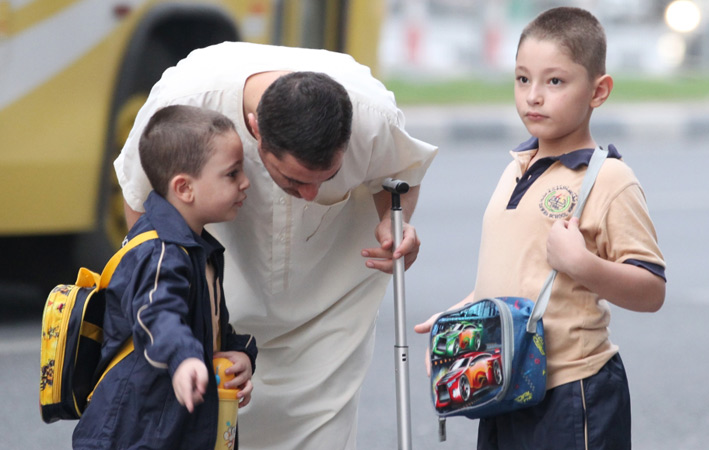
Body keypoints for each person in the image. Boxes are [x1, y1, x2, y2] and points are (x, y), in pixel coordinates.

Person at [113, 42, 437, 449]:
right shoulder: (187, 103)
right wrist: (175, 298)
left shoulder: (373, 117)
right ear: (254, 129)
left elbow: (401, 174)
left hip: (328, 306)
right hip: (220, 302)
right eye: (294, 180)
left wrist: (396, 224)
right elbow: (140, 201)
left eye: (327, 177)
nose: (310, 193)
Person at [415, 7, 666, 449]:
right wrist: (462, 319)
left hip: (572, 392)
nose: (533, 96)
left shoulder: (608, 179)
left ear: (598, 90)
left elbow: (651, 290)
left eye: (554, 81)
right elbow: (519, 273)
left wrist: (582, 264)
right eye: (522, 79)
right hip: (506, 386)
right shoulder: (516, 166)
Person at [73, 105, 257, 449]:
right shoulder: (160, 252)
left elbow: (208, 325)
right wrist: (184, 356)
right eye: (232, 174)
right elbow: (157, 314)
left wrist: (240, 353)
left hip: (172, 427)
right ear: (184, 188)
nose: (246, 182)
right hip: (136, 431)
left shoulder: (195, 247)